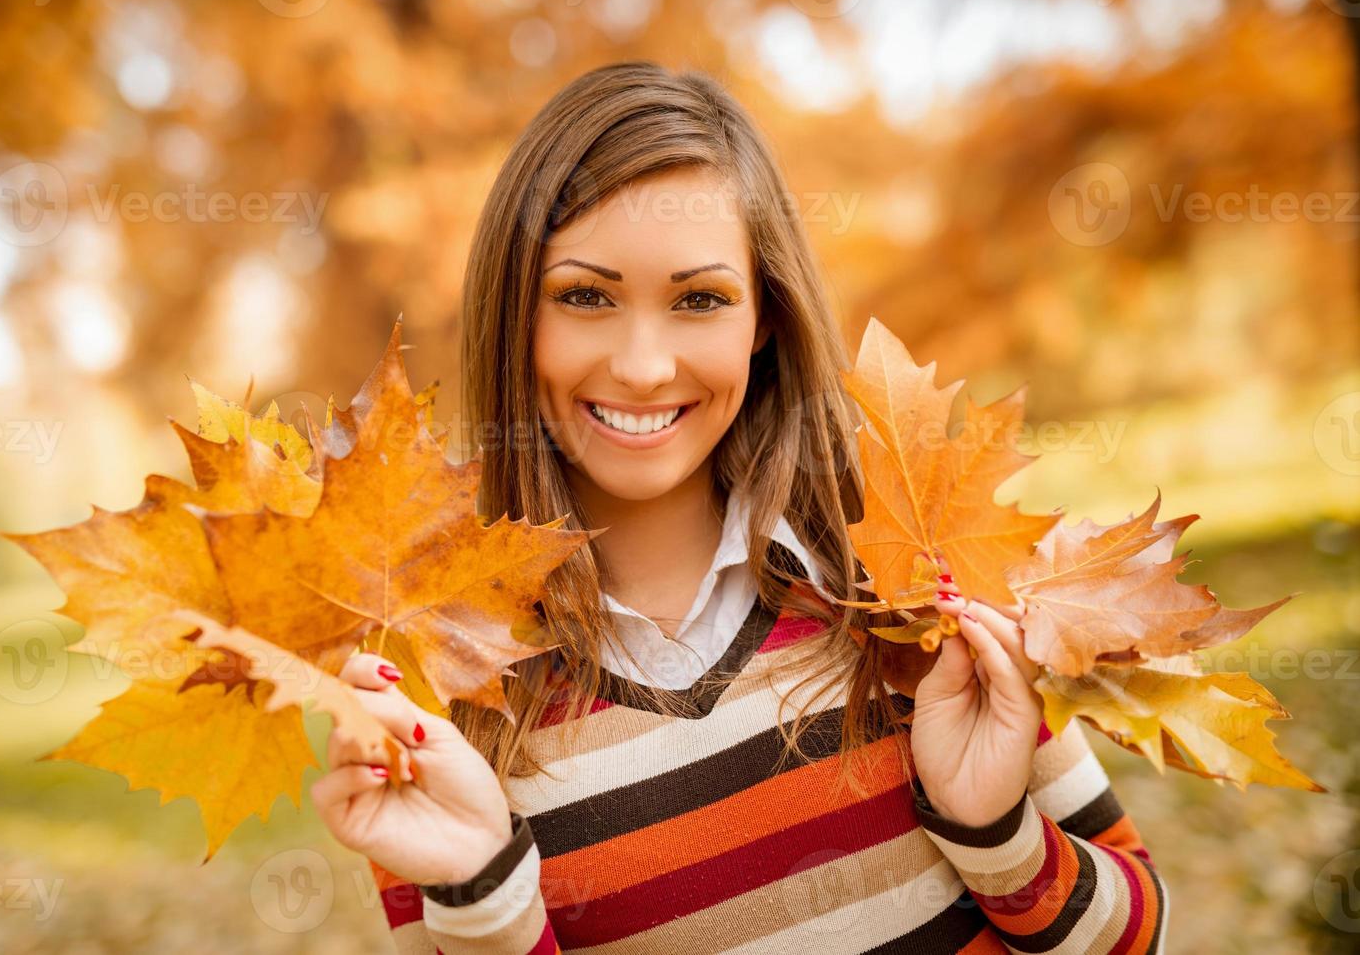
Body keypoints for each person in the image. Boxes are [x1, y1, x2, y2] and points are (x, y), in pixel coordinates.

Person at [310, 61, 1168, 953]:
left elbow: (1137, 938)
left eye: (700, 300)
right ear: (514, 315)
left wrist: (995, 835)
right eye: (585, 297)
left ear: (764, 318)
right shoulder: (442, 693)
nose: (643, 366)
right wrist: (486, 900)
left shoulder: (912, 594)